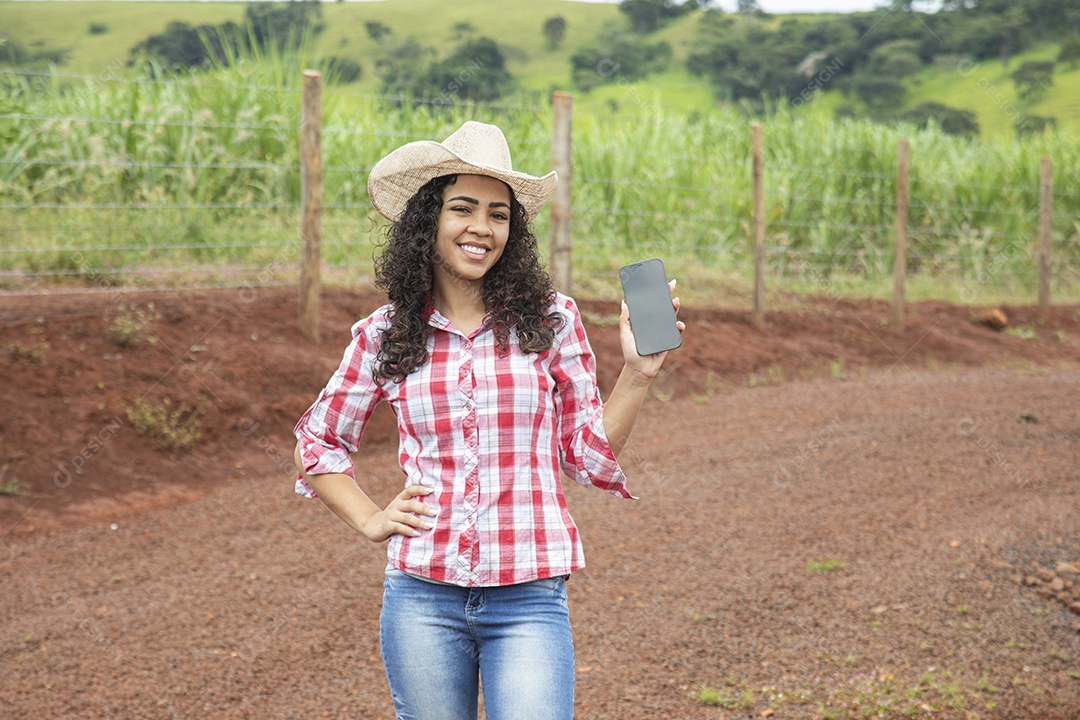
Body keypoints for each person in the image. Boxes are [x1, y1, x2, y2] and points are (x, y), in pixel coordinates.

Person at [292, 120, 683, 720]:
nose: (481, 227)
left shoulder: (551, 320)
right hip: (421, 596)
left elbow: (585, 455)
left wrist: (637, 375)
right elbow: (317, 441)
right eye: (463, 208)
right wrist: (371, 519)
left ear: (512, 232)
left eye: (498, 214)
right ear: (427, 222)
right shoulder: (385, 333)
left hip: (528, 595)